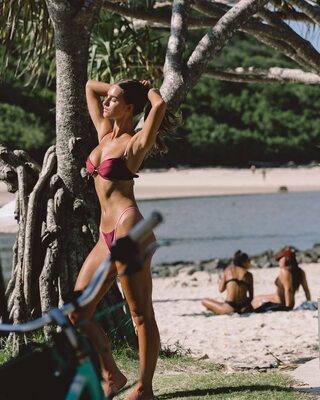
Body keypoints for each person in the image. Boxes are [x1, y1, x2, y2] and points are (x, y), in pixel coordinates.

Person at [69, 78, 174, 400]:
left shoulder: (135, 143)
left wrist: (148, 89)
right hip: (105, 234)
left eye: (114, 101)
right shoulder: (104, 134)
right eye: (109, 98)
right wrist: (122, 86)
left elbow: (158, 105)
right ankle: (112, 373)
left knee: (140, 313)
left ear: (129, 108)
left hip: (130, 230)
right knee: (77, 311)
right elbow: (89, 86)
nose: (106, 103)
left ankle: (145, 388)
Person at [201, 250, 254, 315]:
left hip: (229, 307)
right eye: (248, 261)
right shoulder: (249, 275)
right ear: (243, 262)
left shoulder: (228, 271)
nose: (250, 263)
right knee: (222, 304)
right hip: (244, 308)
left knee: (204, 301)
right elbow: (251, 297)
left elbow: (221, 290)